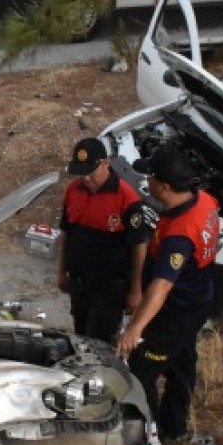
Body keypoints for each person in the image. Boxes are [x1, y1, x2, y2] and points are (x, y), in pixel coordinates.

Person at [117, 147, 220, 445]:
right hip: (197, 301)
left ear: (163, 186)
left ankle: (150, 439)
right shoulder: (203, 201)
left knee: (140, 374)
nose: (146, 180)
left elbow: (162, 286)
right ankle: (175, 427)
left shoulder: (179, 236)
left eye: (150, 176)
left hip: (175, 314)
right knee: (183, 368)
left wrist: (135, 329)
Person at [56, 138, 153, 341]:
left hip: (109, 288)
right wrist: (61, 271)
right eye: (82, 173)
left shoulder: (127, 198)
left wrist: (136, 290)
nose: (86, 179)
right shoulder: (73, 191)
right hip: (79, 283)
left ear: (106, 163)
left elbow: (138, 247)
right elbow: (66, 232)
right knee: (80, 337)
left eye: (91, 172)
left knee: (99, 342)